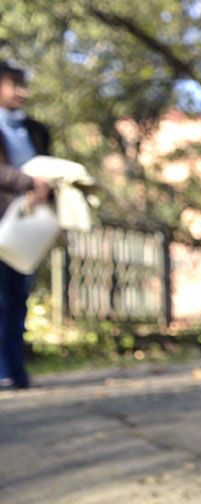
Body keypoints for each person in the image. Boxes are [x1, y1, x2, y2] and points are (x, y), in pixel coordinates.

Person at [0, 61, 51, 391]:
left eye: (24, 83)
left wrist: (45, 187)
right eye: (14, 83)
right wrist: (28, 181)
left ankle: (15, 369)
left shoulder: (35, 129)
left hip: (26, 226)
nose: (23, 91)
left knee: (18, 298)